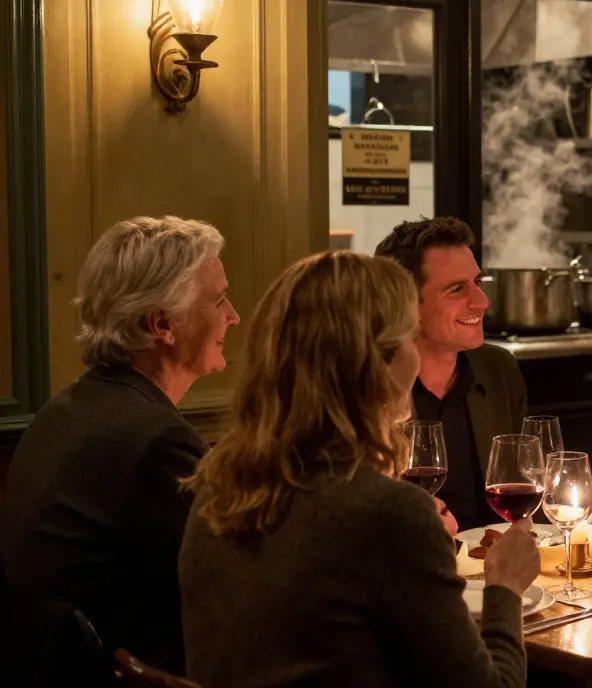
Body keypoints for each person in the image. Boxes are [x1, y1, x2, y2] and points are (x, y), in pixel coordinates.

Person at [180, 251, 540, 687]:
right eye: (410, 336)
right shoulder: (384, 512)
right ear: (376, 365)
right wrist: (505, 586)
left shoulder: (216, 483)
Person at [0, 217, 239, 681]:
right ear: (162, 324)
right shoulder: (154, 439)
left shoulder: (72, 406)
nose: (233, 315)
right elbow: (238, 576)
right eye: (218, 300)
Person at [375, 218, 528, 532]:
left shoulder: (497, 369)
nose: (482, 301)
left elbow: (522, 485)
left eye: (477, 282)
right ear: (403, 302)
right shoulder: (368, 386)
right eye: (457, 289)